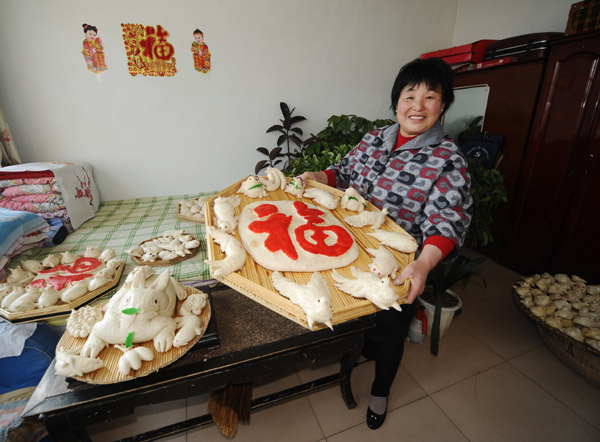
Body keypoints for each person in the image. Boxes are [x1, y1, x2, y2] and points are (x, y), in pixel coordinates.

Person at [299, 57, 473, 429]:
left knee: (391, 331)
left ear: (443, 104)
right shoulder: (376, 138)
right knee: (357, 314)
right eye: (410, 95)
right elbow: (344, 172)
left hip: (400, 266)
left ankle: (381, 390)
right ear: (396, 102)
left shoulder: (447, 159)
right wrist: (318, 175)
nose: (418, 106)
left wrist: (423, 265)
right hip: (351, 249)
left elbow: (447, 220)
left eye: (430, 96)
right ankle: (363, 349)